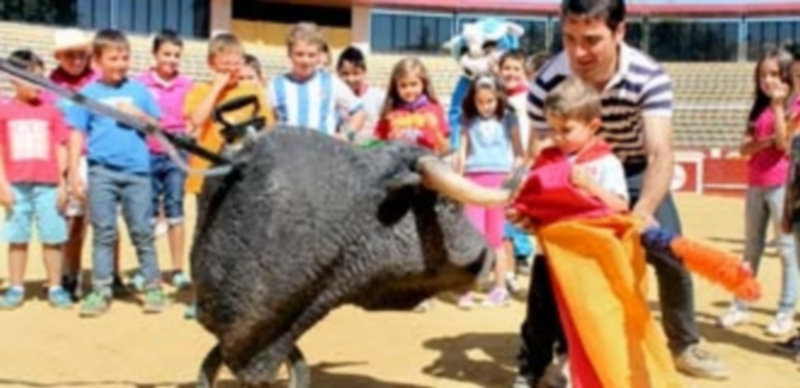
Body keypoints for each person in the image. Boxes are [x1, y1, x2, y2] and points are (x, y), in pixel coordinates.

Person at [508, 0, 728, 385]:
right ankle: (557, 355)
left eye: (591, 40)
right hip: (574, 172)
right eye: (569, 38)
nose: (578, 52)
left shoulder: (648, 75)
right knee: (559, 261)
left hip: (634, 167)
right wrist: (535, 209)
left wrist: (642, 211)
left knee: (668, 253)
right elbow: (543, 156)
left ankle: (684, 343)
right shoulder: (545, 82)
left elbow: (660, 151)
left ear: (620, 32)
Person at [66, 29, 167, 317]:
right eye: (113, 58)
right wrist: (74, 172)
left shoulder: (139, 92)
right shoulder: (87, 95)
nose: (121, 63)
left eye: (125, 57)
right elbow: (76, 134)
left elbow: (157, 128)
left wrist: (140, 115)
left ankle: (153, 287)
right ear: (97, 60)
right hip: (101, 172)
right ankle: (101, 289)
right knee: (104, 233)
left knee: (142, 232)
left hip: (137, 172)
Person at [0, 49, 72, 309]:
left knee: (52, 237)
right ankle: (16, 287)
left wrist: (63, 184)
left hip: (49, 185)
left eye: (41, 78)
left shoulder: (51, 112)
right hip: (16, 186)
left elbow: (60, 147)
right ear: (12, 79)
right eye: (31, 78)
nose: (38, 84)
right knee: (17, 237)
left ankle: (54, 286)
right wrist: (2, 185)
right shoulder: (4, 111)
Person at [133, 29, 194, 292]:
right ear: (155, 54)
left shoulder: (187, 85)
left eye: (176, 55)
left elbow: (192, 120)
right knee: (144, 213)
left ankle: (178, 269)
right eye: (166, 54)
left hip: (175, 155)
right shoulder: (139, 84)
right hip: (146, 153)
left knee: (175, 210)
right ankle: (147, 268)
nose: (171, 59)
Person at [455, 75, 523, 309]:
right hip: (473, 180)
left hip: (498, 181)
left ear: (499, 98)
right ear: (473, 100)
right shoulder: (467, 120)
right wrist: (459, 177)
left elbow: (519, 152)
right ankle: (467, 288)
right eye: (480, 101)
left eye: (490, 101)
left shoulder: (508, 118)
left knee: (496, 236)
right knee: (472, 236)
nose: (485, 106)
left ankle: (500, 287)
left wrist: (512, 179)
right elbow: (462, 150)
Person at [266, 22, 365, 137]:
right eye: (299, 54)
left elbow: (358, 111)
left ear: (319, 56)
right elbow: (268, 121)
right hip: (288, 151)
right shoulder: (276, 85)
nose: (305, 60)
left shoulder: (331, 82)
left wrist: (346, 136)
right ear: (289, 54)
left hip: (322, 152)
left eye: (311, 55)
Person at [374, 57, 451, 156]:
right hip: (398, 165)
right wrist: (391, 139)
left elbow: (446, 150)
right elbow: (378, 144)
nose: (409, 90)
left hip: (427, 163)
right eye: (403, 85)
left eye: (413, 84)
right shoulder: (390, 113)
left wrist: (434, 129)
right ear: (395, 87)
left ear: (423, 83)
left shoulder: (434, 110)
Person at [336, 46, 385, 140]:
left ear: (364, 72)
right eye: (345, 74)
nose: (351, 79)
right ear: (338, 73)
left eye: (356, 73)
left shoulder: (378, 97)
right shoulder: (335, 98)